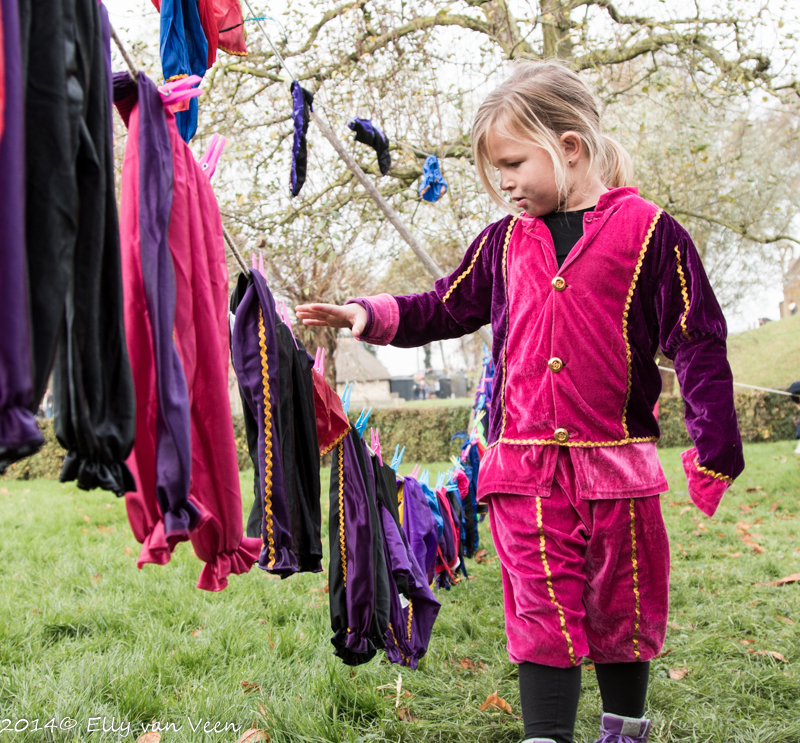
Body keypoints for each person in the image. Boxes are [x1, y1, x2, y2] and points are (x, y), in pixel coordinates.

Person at [296, 61, 744, 743]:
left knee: (622, 608)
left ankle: (624, 729)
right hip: (524, 473)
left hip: (618, 471)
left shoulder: (651, 234)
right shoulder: (503, 243)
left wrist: (716, 450)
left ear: (569, 147)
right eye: (493, 170)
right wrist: (371, 314)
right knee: (541, 612)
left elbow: (699, 339)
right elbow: (444, 305)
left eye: (512, 164)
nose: (503, 182)